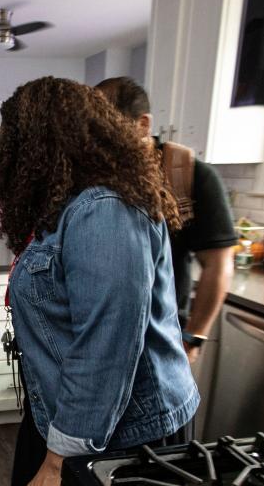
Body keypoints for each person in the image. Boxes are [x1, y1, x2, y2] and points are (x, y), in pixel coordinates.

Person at [0, 78, 198, 486]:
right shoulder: (73, 205)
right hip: (79, 414)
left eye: (16, 142)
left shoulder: (104, 210)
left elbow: (106, 349)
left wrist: (57, 462)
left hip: (126, 428)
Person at [95, 77, 236, 367]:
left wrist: (194, 337)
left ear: (143, 124)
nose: (96, 140)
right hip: (103, 339)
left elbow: (218, 266)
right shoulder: (98, 177)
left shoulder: (190, 176)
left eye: (105, 127)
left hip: (161, 341)